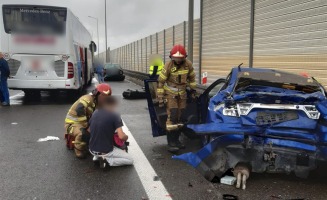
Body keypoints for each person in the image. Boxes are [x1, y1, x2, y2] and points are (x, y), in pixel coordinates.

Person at [157, 45, 197, 152]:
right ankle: (171, 143)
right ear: (172, 57)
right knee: (172, 117)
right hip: (170, 95)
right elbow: (160, 82)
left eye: (180, 58)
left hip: (182, 95)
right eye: (176, 58)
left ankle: (177, 141)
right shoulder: (168, 65)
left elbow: (192, 78)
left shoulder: (188, 64)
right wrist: (160, 97)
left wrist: (193, 91)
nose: (178, 60)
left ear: (184, 57)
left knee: (181, 118)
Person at [64, 83, 112, 158]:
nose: (104, 99)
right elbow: (79, 109)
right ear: (96, 94)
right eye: (103, 96)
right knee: (83, 133)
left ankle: (90, 145)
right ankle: (79, 150)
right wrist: (86, 126)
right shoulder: (87, 99)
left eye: (106, 97)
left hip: (85, 122)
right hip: (72, 124)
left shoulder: (100, 103)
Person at [89, 96, 133, 168]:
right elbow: (121, 136)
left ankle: (96, 158)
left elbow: (89, 130)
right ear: (113, 104)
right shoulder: (115, 115)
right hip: (106, 150)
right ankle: (107, 161)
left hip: (92, 149)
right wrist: (126, 137)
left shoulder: (95, 112)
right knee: (130, 160)